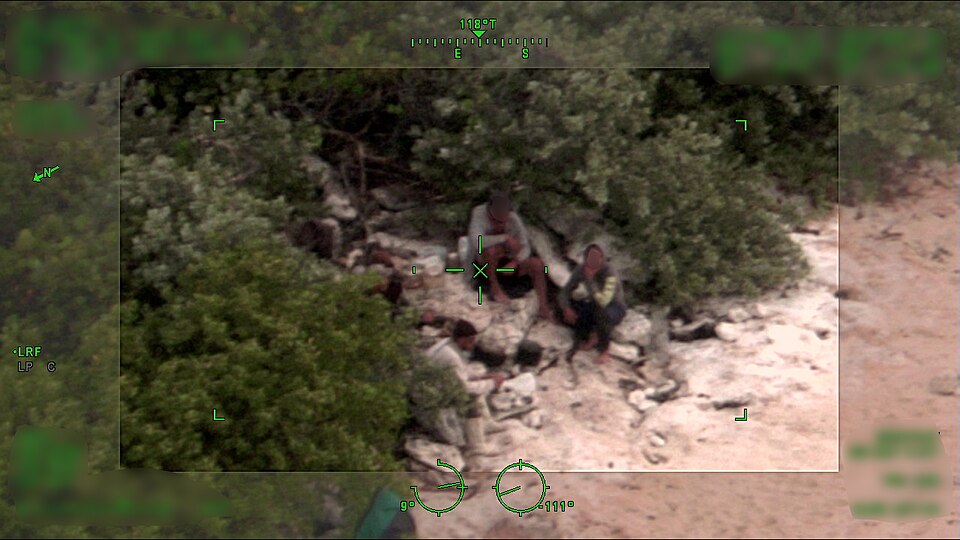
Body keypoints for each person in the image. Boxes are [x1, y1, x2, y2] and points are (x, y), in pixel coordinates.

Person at [467, 191, 554, 321]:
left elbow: (525, 246)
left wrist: (516, 261)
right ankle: (496, 289)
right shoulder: (479, 214)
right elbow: (475, 241)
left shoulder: (513, 218)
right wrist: (503, 238)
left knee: (537, 264)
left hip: (508, 263)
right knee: (490, 250)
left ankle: (543, 306)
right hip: (486, 264)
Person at [425, 320, 506, 457]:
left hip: (433, 388)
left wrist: (484, 376)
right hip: (429, 400)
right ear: (461, 339)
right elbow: (464, 388)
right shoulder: (451, 357)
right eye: (470, 340)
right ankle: (477, 446)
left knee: (479, 384)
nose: (474, 343)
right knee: (472, 396)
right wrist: (492, 384)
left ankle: (486, 423)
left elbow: (461, 373)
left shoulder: (448, 346)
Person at [558, 244, 627, 365]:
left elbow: (604, 301)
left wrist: (590, 280)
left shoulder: (610, 273)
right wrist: (566, 308)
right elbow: (565, 291)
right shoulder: (581, 270)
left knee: (602, 314)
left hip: (614, 306)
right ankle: (589, 335)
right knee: (569, 312)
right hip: (594, 303)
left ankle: (604, 350)